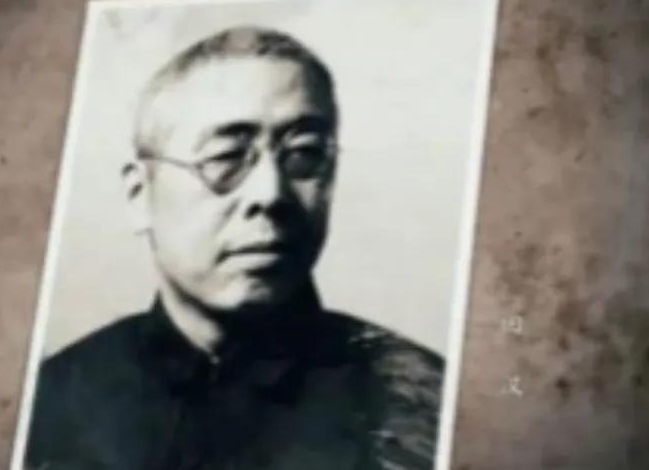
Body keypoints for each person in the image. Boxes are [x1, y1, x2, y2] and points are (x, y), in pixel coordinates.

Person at [23, 26, 444, 470]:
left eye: (304, 154)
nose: (271, 193)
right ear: (139, 194)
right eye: (226, 157)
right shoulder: (50, 403)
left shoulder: (420, 403)